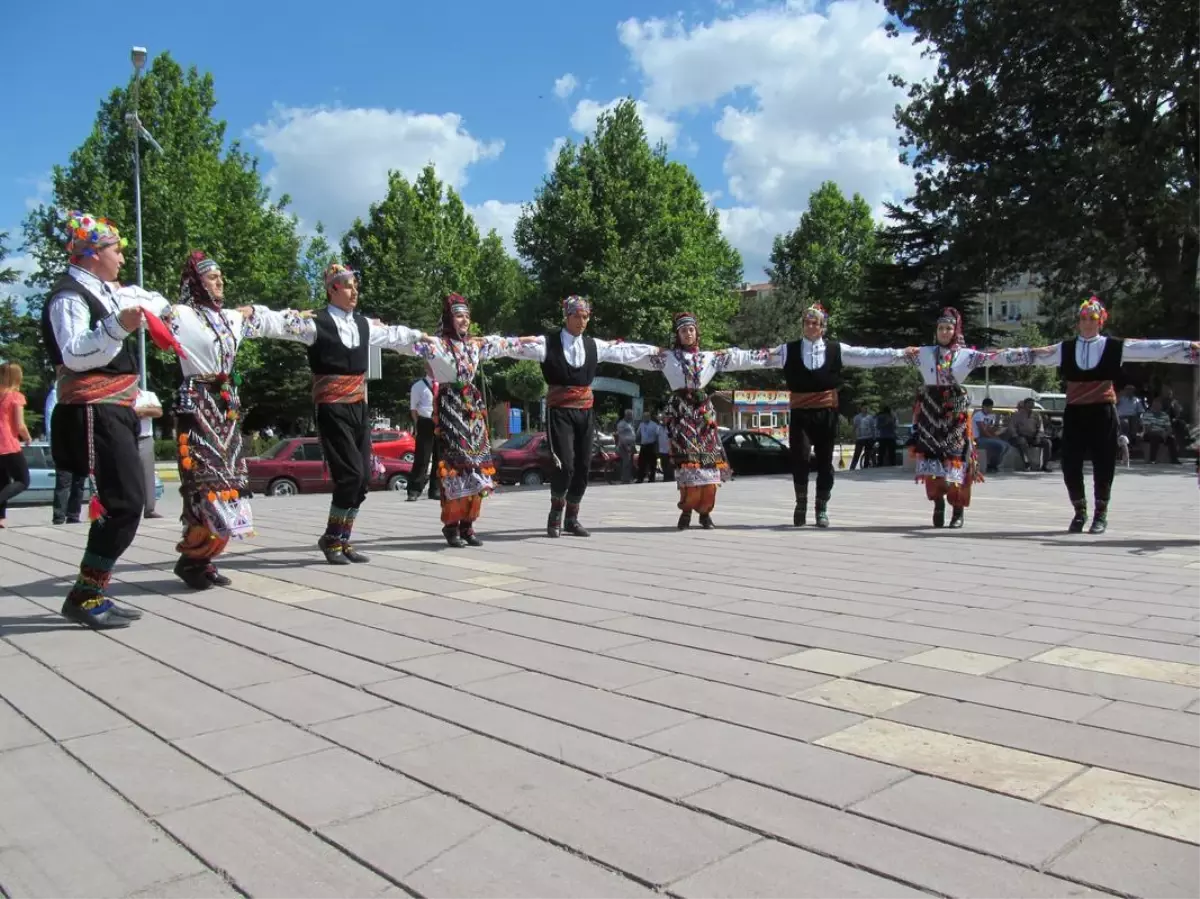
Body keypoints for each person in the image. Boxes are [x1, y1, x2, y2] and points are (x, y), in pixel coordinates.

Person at [39, 211, 171, 628]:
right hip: (93, 411)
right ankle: (85, 594)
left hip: (114, 410)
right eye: (116, 249)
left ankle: (91, 591)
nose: (121, 257)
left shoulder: (102, 290)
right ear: (94, 253)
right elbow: (75, 353)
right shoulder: (68, 296)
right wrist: (118, 325)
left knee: (127, 503)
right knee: (124, 503)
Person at [245, 262, 426, 563]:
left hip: (359, 406)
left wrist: (428, 340)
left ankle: (343, 539)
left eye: (356, 285)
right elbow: (278, 324)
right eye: (349, 285)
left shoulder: (364, 325)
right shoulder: (315, 322)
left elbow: (397, 336)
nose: (355, 290)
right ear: (332, 289)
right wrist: (250, 313)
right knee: (351, 475)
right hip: (332, 408)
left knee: (365, 476)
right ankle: (332, 539)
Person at [148, 250, 296, 589]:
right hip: (197, 401)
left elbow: (275, 321)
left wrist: (314, 320)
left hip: (226, 406)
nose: (221, 282)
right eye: (213, 277)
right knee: (204, 484)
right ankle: (193, 557)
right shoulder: (180, 315)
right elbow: (141, 308)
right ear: (196, 282)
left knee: (230, 485)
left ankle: (205, 557)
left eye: (221, 277)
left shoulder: (231, 318)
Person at [1021, 296, 1200, 533]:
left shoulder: (1114, 346)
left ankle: (1100, 514)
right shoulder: (1066, 348)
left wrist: (1189, 348)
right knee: (1070, 463)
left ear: (1100, 321)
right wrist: (988, 358)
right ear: (1078, 322)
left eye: (1092, 318)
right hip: (1075, 411)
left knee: (1103, 463)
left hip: (1102, 411)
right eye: (1083, 318)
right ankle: (1079, 511)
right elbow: (1032, 354)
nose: (1087, 322)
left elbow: (1153, 349)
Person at [519, 295, 659, 537]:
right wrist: (480, 344)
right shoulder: (547, 344)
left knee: (584, 465)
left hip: (585, 411)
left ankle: (572, 518)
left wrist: (658, 352)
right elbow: (513, 345)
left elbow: (626, 352)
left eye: (586, 317)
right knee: (566, 464)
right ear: (567, 316)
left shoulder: (594, 345)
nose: (582, 321)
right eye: (577, 316)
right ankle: (555, 514)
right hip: (560, 411)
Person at [627, 312, 780, 529]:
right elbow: (633, 353)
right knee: (688, 466)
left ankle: (705, 513)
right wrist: (603, 350)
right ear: (677, 335)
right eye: (683, 331)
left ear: (697, 332)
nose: (688, 334)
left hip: (703, 417)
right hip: (681, 417)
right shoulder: (666, 357)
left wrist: (777, 356)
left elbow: (742, 357)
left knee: (709, 465)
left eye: (691, 330)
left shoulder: (710, 358)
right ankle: (687, 511)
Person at [412, 294, 540, 546]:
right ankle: (451, 525)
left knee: (478, 464)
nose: (465, 321)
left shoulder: (474, 345)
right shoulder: (437, 345)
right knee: (456, 465)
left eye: (467, 316)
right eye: (459, 316)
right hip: (450, 406)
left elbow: (503, 344)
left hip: (474, 408)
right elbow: (407, 342)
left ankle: (468, 525)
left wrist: (525, 340)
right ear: (449, 318)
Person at [776, 303, 915, 527]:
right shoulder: (787, 350)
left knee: (824, 461)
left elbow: (868, 356)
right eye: (807, 323)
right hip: (800, 413)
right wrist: (723, 358)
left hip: (826, 413)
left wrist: (900, 353)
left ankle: (821, 508)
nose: (810, 326)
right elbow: (754, 357)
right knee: (799, 458)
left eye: (815, 323)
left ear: (823, 328)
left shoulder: (835, 350)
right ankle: (800, 503)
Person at [908, 308, 1030, 528]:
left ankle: (957, 509)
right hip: (930, 408)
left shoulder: (965, 355)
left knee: (958, 457)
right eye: (941, 328)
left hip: (955, 405)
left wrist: (1027, 354)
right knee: (931, 458)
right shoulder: (924, 353)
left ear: (955, 331)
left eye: (948, 328)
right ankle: (938, 504)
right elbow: (891, 355)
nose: (944, 332)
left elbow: (994, 357)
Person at [45, 383, 86, 524]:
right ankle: (59, 515)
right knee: (63, 482)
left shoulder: (82, 403)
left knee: (78, 482)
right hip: (63, 447)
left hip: (80, 447)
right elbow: (50, 423)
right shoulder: (57, 398)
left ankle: (73, 514)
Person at [0, 362, 33, 526]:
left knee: (3, 482)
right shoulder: (15, 397)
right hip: (8, 444)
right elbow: (20, 425)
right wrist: (27, 437)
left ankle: (0, 518)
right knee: (23, 480)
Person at [407, 367, 439, 501]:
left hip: (440, 423)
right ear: (426, 368)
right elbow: (413, 409)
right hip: (425, 422)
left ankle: (436, 489)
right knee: (422, 457)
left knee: (440, 457)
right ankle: (414, 489)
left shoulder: (443, 385)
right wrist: (417, 424)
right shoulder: (418, 386)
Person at [1008, 397, 1053, 471]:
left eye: (1032, 404)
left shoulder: (1036, 415)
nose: (1031, 406)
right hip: (1020, 436)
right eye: (1029, 404)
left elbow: (1041, 428)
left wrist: (1038, 436)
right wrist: (1016, 435)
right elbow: (1011, 427)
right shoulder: (1017, 415)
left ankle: (1045, 465)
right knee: (1022, 442)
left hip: (1033, 437)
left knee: (1048, 443)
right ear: (1024, 405)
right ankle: (1027, 463)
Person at [972, 398, 1009, 473]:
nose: (989, 409)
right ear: (983, 407)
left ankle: (993, 464)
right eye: (987, 407)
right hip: (977, 439)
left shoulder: (989, 416)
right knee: (1000, 446)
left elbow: (990, 430)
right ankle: (992, 465)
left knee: (1006, 445)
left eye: (990, 407)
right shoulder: (978, 415)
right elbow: (983, 431)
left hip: (985, 438)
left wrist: (997, 423)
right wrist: (993, 437)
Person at [1141, 398, 1179, 464]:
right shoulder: (1147, 414)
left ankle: (1174, 460)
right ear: (1152, 406)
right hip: (1150, 434)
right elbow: (1147, 429)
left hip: (1163, 434)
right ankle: (1152, 459)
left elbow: (1169, 429)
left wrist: (1165, 434)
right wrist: (1159, 432)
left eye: (1158, 405)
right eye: (1155, 405)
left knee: (1171, 439)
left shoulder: (1165, 415)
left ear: (1161, 406)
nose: (1157, 407)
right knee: (1155, 438)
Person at [635, 411, 660, 483]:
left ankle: (652, 478)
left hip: (651, 445)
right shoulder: (641, 424)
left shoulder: (654, 425)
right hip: (643, 446)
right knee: (641, 463)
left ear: (649, 417)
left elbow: (657, 435)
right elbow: (638, 434)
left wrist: (657, 446)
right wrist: (638, 441)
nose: (645, 418)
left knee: (652, 463)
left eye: (647, 416)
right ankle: (640, 478)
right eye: (644, 416)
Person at [850, 404, 876, 469]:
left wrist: (874, 437)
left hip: (868, 438)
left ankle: (865, 467)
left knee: (868, 454)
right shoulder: (857, 417)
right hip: (860, 438)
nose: (866, 409)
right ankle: (852, 467)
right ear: (861, 408)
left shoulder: (870, 417)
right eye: (864, 408)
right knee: (857, 454)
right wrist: (853, 437)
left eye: (867, 408)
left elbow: (873, 428)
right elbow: (854, 428)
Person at [616, 410, 636, 483]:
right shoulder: (621, 424)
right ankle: (624, 479)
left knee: (629, 463)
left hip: (630, 445)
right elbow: (621, 436)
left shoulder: (629, 424)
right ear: (626, 415)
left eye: (631, 415)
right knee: (626, 462)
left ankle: (628, 478)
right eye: (630, 415)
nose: (631, 417)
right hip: (624, 445)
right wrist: (626, 445)